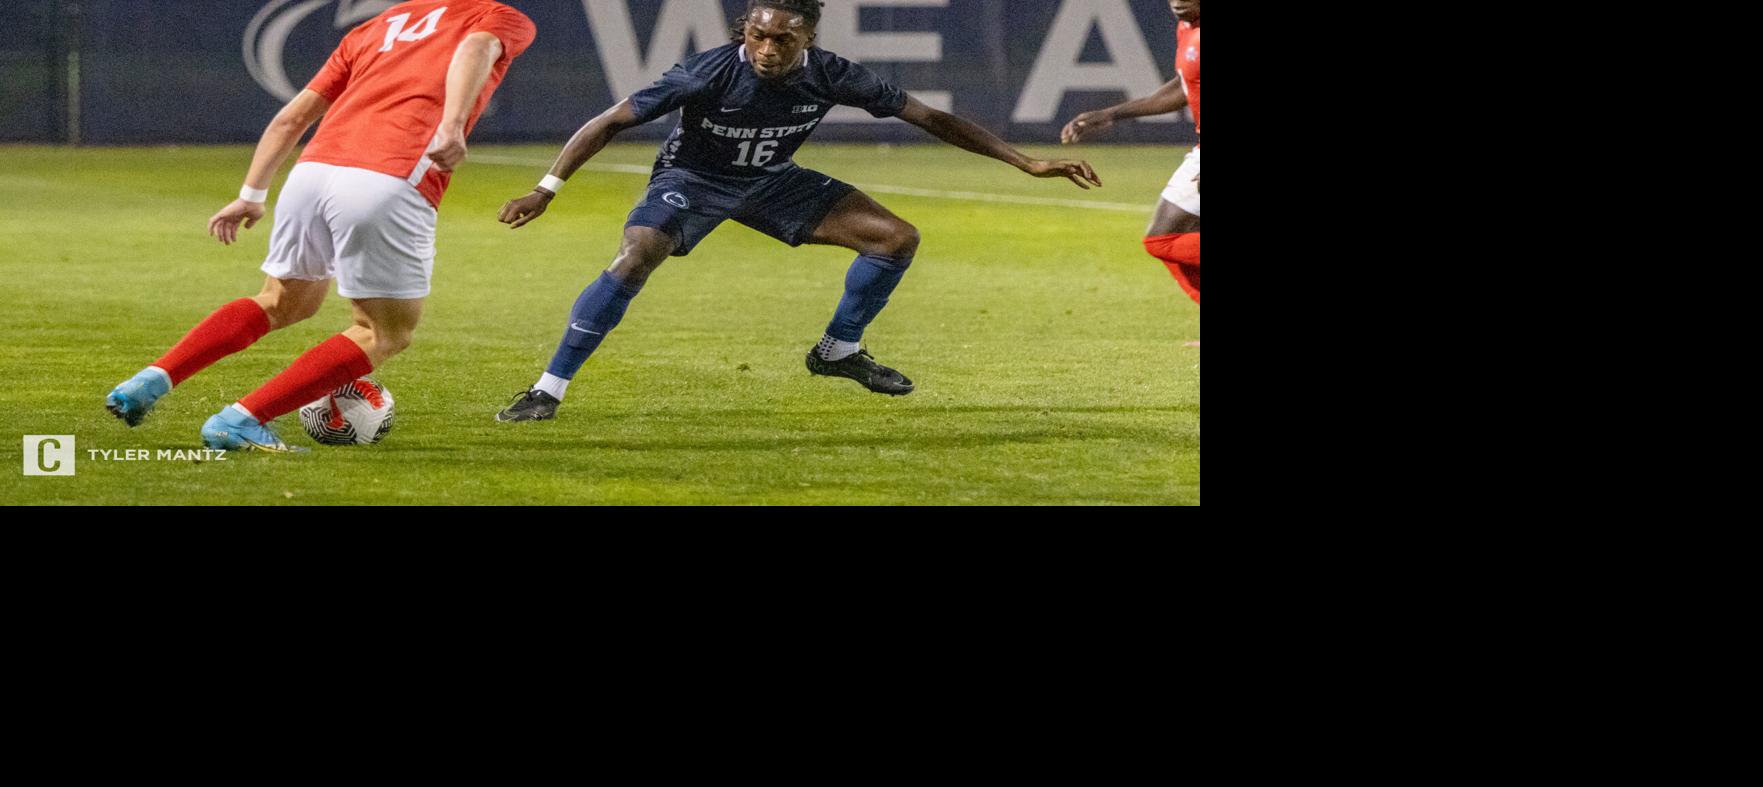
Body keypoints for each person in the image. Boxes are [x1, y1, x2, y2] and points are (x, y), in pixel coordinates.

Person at [492, 0, 1100, 422]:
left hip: (771, 181)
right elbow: (608, 122)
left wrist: (1026, 162)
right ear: (745, 32)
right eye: (757, 35)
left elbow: (931, 118)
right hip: (693, 180)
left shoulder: (834, 75)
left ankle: (838, 351)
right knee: (636, 255)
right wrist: (546, 189)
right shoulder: (706, 72)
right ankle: (548, 390)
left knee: (895, 238)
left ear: (808, 37)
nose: (766, 48)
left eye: (783, 38)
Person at [105, 0, 536, 451]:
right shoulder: (496, 17)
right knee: (383, 332)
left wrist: (252, 193)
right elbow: (478, 47)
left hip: (311, 174)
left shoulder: (376, 27)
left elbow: (292, 117)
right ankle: (240, 421)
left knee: (282, 301)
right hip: (388, 176)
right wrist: (451, 126)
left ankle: (148, 382)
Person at [1062, 0, 1199, 306]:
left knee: (1162, 239)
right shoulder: (1186, 27)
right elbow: (1184, 85)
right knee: (1183, 239)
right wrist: (1112, 113)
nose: (1177, 1)